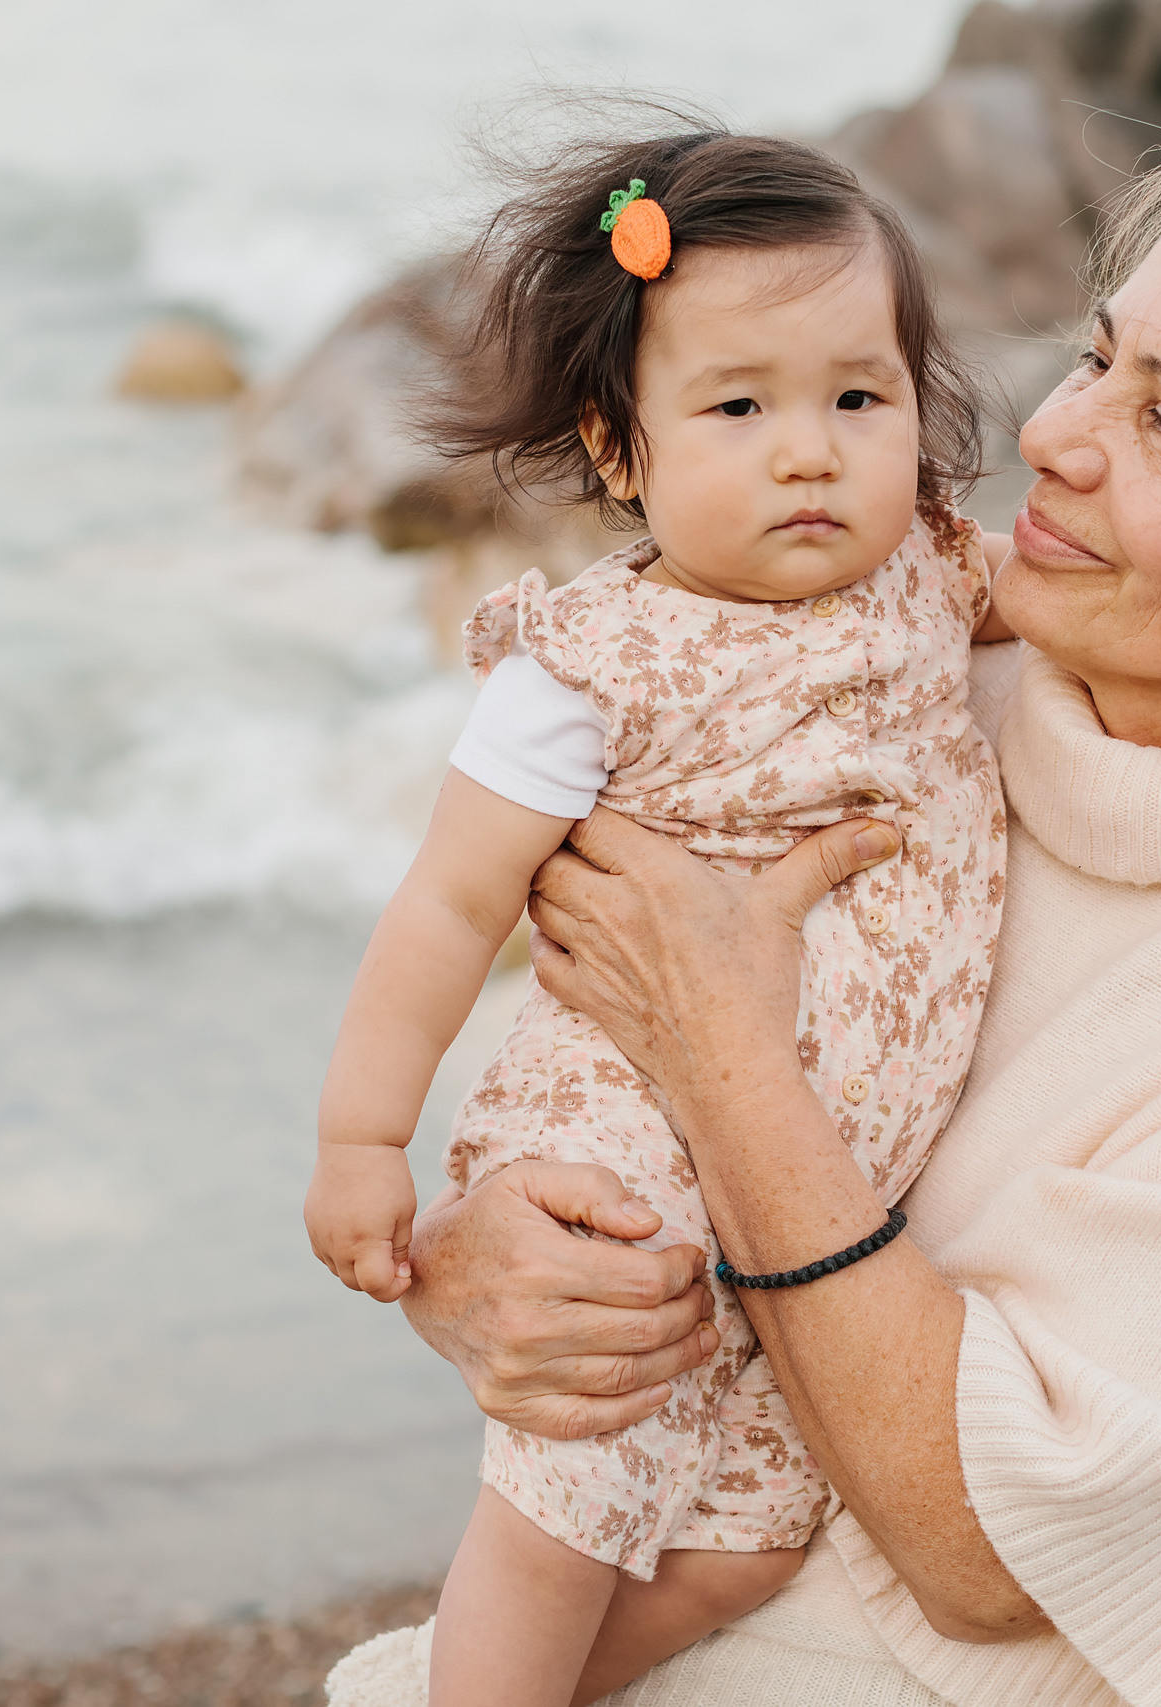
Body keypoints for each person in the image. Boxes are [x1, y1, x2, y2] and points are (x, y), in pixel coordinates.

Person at [325, 119, 1161, 1707]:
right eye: (1101, 359)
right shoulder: (891, 674)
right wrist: (481, 1277)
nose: (1059, 430)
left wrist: (726, 1058)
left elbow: (990, 1552)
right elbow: (549, 1002)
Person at [301, 125, 1014, 1707]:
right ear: (619, 452)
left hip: (820, 1200)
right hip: (627, 1150)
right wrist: (365, 1140)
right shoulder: (590, 666)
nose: (810, 451)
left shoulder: (941, 579)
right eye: (739, 406)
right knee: (575, 1497)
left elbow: (1112, 609)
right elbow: (443, 908)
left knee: (747, 1545)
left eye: (858, 396)